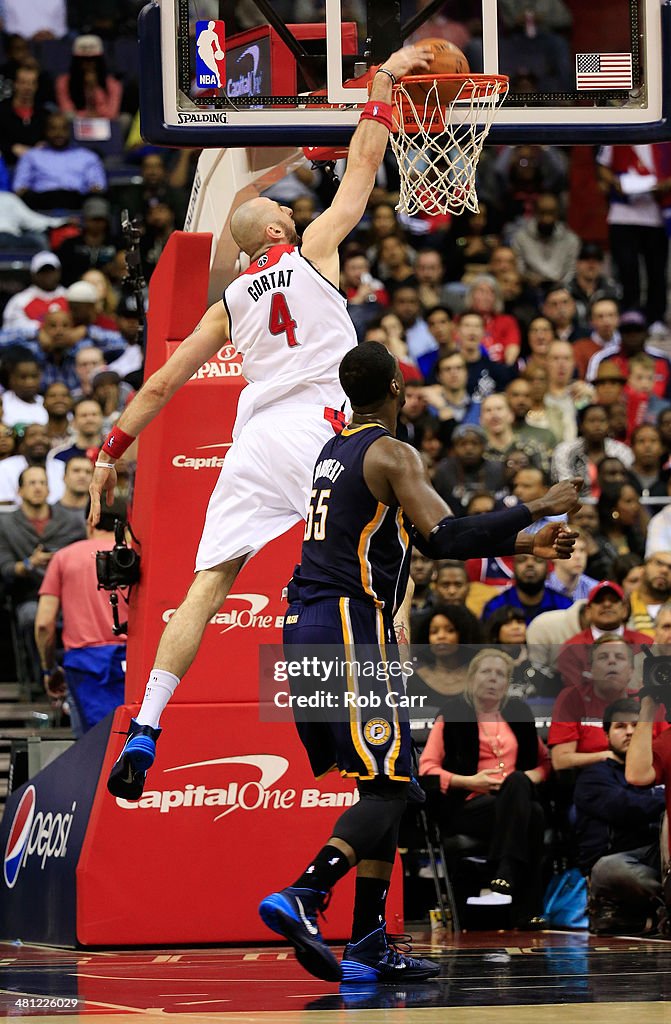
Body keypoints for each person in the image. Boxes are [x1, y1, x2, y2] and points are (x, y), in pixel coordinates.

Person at [95, 43, 438, 802]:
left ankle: (147, 725)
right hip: (320, 433)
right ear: (275, 230)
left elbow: (158, 386)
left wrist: (107, 451)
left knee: (205, 587)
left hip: (253, 440)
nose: (292, 204)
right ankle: (388, 707)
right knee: (391, 542)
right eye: (283, 205)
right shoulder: (314, 251)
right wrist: (381, 85)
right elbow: (359, 174)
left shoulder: (228, 304)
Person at [257, 342, 580, 983]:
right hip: (349, 626)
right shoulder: (392, 451)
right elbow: (445, 535)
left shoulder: (338, 451)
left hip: (310, 626)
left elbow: (419, 537)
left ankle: (370, 941)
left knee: (385, 784)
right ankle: (306, 892)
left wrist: (524, 543)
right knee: (392, 785)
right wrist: (537, 505)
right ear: (399, 387)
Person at [419, 648, 550, 923]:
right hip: (469, 806)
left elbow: (545, 764)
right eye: (486, 672)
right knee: (532, 813)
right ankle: (527, 906)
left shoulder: (518, 712)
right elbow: (427, 768)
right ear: (472, 677)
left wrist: (526, 780)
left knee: (525, 797)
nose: (493, 678)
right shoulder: (453, 712)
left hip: (515, 802)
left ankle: (505, 873)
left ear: (507, 683)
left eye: (500, 674)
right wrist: (471, 781)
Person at [35, 497, 128, 738]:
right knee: (132, 747)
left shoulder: (64, 558)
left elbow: (44, 624)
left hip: (84, 665)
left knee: (91, 752)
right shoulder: (136, 558)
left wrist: (49, 670)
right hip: (134, 663)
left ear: (90, 521)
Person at [574, 698, 666, 935]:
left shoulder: (658, 768)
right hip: (616, 860)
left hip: (658, 854)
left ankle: (659, 908)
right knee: (609, 868)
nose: (630, 732)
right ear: (606, 735)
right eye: (620, 726)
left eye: (636, 725)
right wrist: (662, 796)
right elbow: (626, 809)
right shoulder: (593, 776)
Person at [0, 466, 85, 681]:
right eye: (32, 483)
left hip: (68, 595)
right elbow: (6, 569)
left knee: (83, 615)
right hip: (29, 595)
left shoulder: (70, 521)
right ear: (20, 491)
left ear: (49, 489)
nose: (38, 488)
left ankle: (75, 677)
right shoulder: (6, 524)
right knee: (31, 616)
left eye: (43, 483)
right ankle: (42, 678)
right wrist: (30, 563)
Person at [557, 580, 652, 690]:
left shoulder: (646, 644)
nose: (607, 604)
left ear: (625, 610)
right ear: (588, 612)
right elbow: (575, 693)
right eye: (599, 600)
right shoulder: (571, 648)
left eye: (614, 600)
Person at [482, 552, 572, 625]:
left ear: (548, 568)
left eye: (538, 560)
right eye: (522, 560)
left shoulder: (564, 606)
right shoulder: (495, 607)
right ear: (513, 567)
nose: (530, 564)